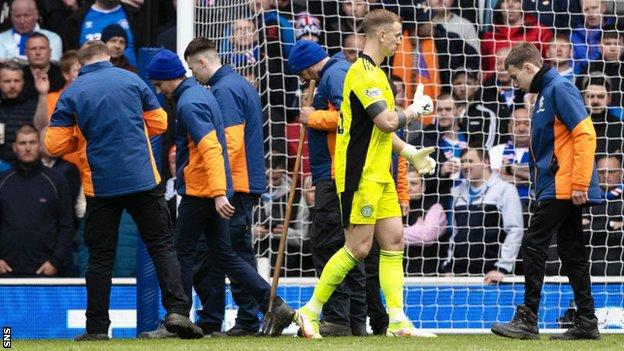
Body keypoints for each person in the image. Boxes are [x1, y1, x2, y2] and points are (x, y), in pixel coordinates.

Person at [292, 9, 438, 339]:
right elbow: (387, 121)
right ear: (382, 35)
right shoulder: (361, 75)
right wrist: (415, 110)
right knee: (357, 248)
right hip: (359, 177)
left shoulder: (378, 75)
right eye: (398, 34)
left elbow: (381, 132)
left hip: (380, 174)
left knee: (394, 242)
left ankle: (398, 322)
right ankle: (310, 311)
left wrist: (410, 152)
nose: (402, 40)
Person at [45, 40, 200, 341]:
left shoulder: (73, 92)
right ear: (107, 57)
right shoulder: (133, 80)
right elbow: (160, 123)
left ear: (81, 64)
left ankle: (98, 329)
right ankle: (178, 312)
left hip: (101, 186)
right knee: (162, 246)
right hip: (143, 178)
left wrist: (81, 140)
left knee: (101, 258)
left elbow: (53, 145)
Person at [145, 48, 295, 338]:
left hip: (205, 189)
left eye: (158, 84)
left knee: (184, 253)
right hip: (219, 187)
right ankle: (272, 304)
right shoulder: (207, 93)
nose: (158, 90)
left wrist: (218, 192)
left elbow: (217, 148)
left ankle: (178, 319)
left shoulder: (195, 100)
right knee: (225, 253)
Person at [491, 42, 602, 340]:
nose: (515, 84)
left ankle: (528, 318)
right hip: (559, 185)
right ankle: (587, 321)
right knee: (571, 251)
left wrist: (580, 183)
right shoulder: (547, 92)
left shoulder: (559, 89)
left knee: (533, 244)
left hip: (564, 186)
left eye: (515, 77)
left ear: (529, 68)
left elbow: (585, 134)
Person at [183, 37, 268, 337]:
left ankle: (248, 318)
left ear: (202, 63)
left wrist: (218, 187)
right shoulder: (239, 84)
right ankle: (233, 317)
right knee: (229, 252)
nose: (193, 76)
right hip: (244, 181)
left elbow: (228, 144)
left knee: (230, 253)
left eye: (193, 69)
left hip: (235, 184)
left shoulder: (224, 90)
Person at [287, 39, 367, 336]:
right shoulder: (338, 71)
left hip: (335, 174)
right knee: (348, 247)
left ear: (307, 66)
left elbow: (352, 117)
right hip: (337, 172)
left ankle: (337, 318)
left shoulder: (334, 75)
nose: (303, 80)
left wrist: (313, 117)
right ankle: (356, 320)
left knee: (326, 245)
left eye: (301, 74)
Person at [0, 124, 72, 277]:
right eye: (22, 143)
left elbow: (66, 225)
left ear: (39, 145)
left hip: (46, 272)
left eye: (32, 142)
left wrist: (55, 262)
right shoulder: (3, 181)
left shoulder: (56, 181)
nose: (27, 148)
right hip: (7, 272)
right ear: (14, 147)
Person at [442, 147, 523, 280]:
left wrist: (502, 268)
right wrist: (449, 267)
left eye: (470, 161)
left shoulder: (505, 190)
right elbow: (455, 234)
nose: (465, 166)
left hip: (492, 275)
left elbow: (515, 231)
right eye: (462, 162)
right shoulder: (457, 192)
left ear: (485, 162)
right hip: (459, 275)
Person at [65, 0, 140, 65]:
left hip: (132, 77)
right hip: (90, 78)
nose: (117, 46)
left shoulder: (136, 15)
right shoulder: (76, 19)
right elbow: (70, 57)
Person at [584, 154, 623, 276]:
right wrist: (612, 225)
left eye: (611, 172)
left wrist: (595, 226)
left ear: (621, 173)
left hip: (619, 258)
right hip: (590, 258)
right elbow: (583, 233)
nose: (606, 176)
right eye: (601, 172)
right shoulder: (585, 197)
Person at [489, 108, 532, 209]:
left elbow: (543, 178)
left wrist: (509, 168)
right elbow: (493, 180)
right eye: (516, 124)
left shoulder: (542, 151)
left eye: (527, 124)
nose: (522, 128)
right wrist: (527, 178)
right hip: (501, 207)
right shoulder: (495, 151)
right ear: (509, 128)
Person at [0, 61, 38, 164]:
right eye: (7, 81)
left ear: (23, 82)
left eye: (16, 81)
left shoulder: (35, 107)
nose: (12, 85)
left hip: (31, 167)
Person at [22, 32, 66, 99]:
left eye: (42, 48)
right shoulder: (18, 76)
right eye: (33, 49)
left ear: (50, 52)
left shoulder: (63, 75)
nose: (38, 53)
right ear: (26, 53)